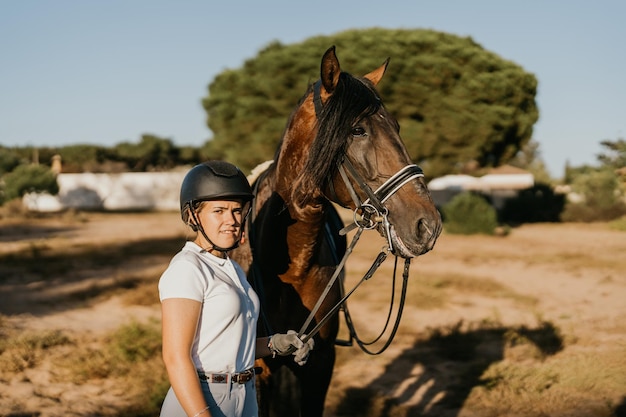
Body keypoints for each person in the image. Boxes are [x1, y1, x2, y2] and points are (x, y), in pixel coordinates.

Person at [159, 160, 314, 417]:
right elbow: (176, 358)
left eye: (237, 210)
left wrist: (276, 343)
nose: (231, 220)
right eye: (218, 211)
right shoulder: (187, 268)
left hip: (245, 395)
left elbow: (229, 345)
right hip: (202, 397)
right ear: (193, 216)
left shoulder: (229, 267)